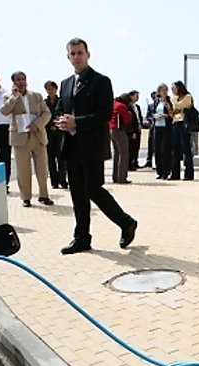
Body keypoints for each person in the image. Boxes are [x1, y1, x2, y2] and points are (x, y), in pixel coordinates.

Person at [54, 37, 138, 254]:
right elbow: (59, 110)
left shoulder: (101, 81)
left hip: (91, 147)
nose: (77, 57)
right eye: (72, 54)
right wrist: (60, 122)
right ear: (68, 56)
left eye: (80, 53)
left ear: (87, 54)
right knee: (77, 194)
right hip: (71, 146)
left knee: (93, 190)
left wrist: (77, 122)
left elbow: (104, 114)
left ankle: (126, 222)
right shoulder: (65, 84)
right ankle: (82, 237)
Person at [0, 71, 54, 208]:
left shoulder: (36, 96)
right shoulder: (8, 96)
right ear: (13, 82)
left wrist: (38, 124)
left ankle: (44, 195)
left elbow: (47, 113)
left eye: (23, 79)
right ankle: (26, 197)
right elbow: (4, 111)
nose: (21, 82)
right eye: (18, 80)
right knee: (23, 170)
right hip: (20, 138)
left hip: (38, 136)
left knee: (42, 169)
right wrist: (14, 97)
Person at [44, 80, 68, 189]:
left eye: (52, 89)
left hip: (60, 132)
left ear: (56, 89)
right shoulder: (44, 102)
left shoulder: (61, 101)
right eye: (48, 89)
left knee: (61, 157)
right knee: (50, 158)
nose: (50, 91)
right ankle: (54, 181)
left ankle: (63, 180)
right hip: (48, 132)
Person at [170, 80, 195, 180]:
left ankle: (189, 174)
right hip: (175, 122)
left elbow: (177, 106)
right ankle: (175, 174)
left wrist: (175, 105)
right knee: (175, 150)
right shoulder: (175, 98)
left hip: (184, 124)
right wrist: (175, 107)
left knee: (186, 150)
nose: (172, 91)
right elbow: (173, 111)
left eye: (174, 88)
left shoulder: (187, 97)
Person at [110, 93, 132, 184]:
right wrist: (130, 114)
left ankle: (115, 177)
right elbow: (127, 119)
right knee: (124, 154)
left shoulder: (112, 104)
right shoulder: (122, 106)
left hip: (110, 130)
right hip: (119, 131)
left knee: (117, 154)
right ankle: (122, 178)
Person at [152, 84, 173, 180]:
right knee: (157, 150)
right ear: (159, 91)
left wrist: (167, 111)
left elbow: (172, 115)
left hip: (166, 128)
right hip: (157, 127)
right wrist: (155, 116)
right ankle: (159, 171)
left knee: (166, 149)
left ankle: (166, 172)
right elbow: (152, 113)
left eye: (166, 90)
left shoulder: (169, 101)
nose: (164, 91)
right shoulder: (156, 101)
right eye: (162, 90)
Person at [127, 90, 144, 171]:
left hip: (138, 129)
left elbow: (139, 117)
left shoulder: (137, 107)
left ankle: (135, 162)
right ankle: (129, 164)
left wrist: (140, 124)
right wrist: (132, 131)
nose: (137, 97)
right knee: (131, 147)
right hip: (132, 130)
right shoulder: (128, 106)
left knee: (137, 146)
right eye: (136, 95)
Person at [143, 90, 157, 168]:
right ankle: (149, 161)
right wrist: (151, 120)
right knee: (150, 144)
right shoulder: (150, 106)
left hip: (159, 127)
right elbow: (148, 115)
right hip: (152, 128)